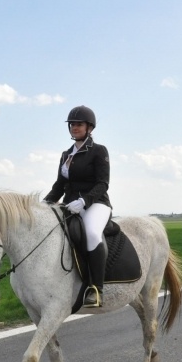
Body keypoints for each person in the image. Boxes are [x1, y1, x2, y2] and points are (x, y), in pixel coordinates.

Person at [44, 105, 111, 308]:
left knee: (91, 233)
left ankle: (96, 289)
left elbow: (103, 183)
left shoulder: (98, 151)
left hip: (95, 203)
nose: (74, 127)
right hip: (69, 204)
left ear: (89, 127)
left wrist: (84, 201)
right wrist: (44, 205)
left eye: (79, 124)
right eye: (72, 124)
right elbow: (59, 186)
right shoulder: (66, 155)